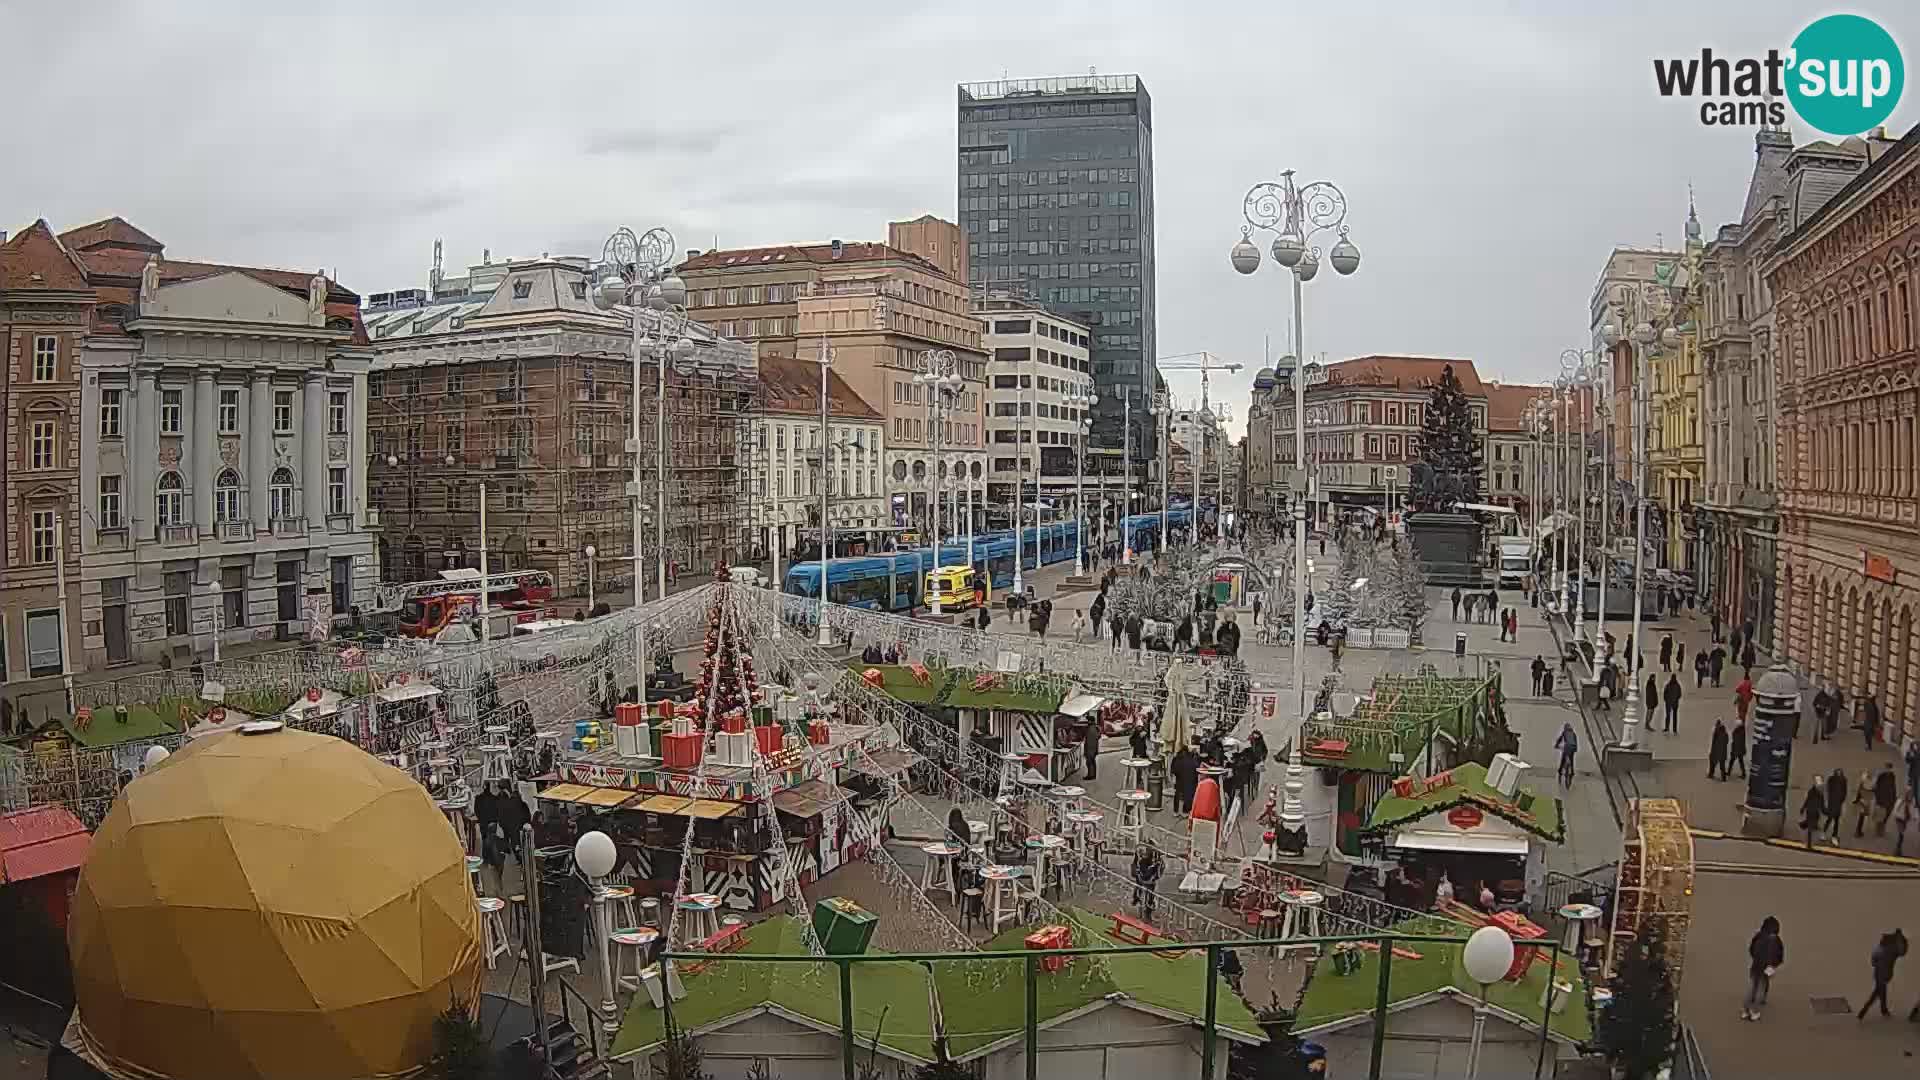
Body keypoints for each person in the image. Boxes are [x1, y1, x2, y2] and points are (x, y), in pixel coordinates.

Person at [1859, 929, 1908, 1019]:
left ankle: (1883, 1010)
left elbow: (1873, 960)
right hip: (1885, 973)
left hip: (1879, 972)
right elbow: (1902, 952)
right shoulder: (1894, 947)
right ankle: (1864, 1011)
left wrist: (1877, 963)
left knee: (1881, 990)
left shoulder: (1881, 946)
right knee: (1878, 992)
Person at [1742, 915, 1784, 1021]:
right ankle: (1754, 1011)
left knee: (1752, 987)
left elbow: (1752, 948)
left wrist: (1755, 958)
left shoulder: (1759, 936)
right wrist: (1774, 965)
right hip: (1766, 968)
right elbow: (1779, 954)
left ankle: (1745, 1010)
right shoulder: (1776, 940)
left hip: (1756, 966)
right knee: (1761, 989)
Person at [1131, 840, 1165, 919]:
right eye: (1148, 848)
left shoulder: (1157, 856)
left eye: (1150, 848)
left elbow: (1160, 867)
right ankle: (1136, 897)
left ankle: (1149, 905)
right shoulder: (1140, 853)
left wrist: (1155, 877)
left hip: (1151, 874)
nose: (1148, 850)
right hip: (1142, 872)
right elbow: (1134, 863)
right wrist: (1136, 872)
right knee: (1138, 884)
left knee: (1150, 890)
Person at [1171, 746, 1200, 815]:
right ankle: (1185, 811)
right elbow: (1196, 769)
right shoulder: (1192, 759)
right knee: (1188, 793)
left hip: (1179, 778)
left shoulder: (1176, 758)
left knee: (1177, 794)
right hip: (1190, 779)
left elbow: (1173, 770)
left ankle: (1176, 811)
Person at [1874, 763, 1899, 836]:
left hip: (1890, 800)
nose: (1888, 770)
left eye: (1889, 768)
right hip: (1882, 800)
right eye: (1887, 768)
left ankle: (1882, 828)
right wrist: (1878, 799)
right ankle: (1879, 831)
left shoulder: (1892, 776)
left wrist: (1894, 797)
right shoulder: (1881, 776)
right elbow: (1876, 788)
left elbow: (1893, 787)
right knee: (1881, 816)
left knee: (1886, 816)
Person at [1825, 768, 1848, 844]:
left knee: (1836, 820)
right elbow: (1829, 790)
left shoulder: (1843, 780)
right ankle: (1826, 833)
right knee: (1830, 818)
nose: (1838, 774)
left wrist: (1842, 799)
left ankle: (1833, 835)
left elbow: (1845, 791)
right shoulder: (1832, 780)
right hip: (1833, 803)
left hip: (1837, 803)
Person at [1801, 782, 1826, 851]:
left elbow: (1807, 800)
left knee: (1811, 825)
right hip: (1812, 812)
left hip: (1812, 811)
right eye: (1821, 788)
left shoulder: (1812, 792)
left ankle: (1805, 824)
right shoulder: (1820, 795)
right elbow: (1822, 805)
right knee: (1811, 827)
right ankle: (1809, 844)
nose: (1822, 789)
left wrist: (1803, 808)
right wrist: (1826, 812)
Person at [1554, 721, 1578, 787]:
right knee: (1571, 759)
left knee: (1563, 759)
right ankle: (1572, 771)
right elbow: (1575, 742)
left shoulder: (1564, 732)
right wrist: (1575, 749)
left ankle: (1560, 770)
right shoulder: (1573, 733)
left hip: (1567, 747)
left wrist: (1556, 745)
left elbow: (1560, 739)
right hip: (1573, 747)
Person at [1852, 768, 1874, 839]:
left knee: (1861, 817)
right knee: (1862, 817)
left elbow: (1860, 789)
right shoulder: (1871, 786)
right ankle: (1858, 832)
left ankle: (1858, 831)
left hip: (1863, 801)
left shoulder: (1864, 782)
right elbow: (1871, 794)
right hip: (1865, 803)